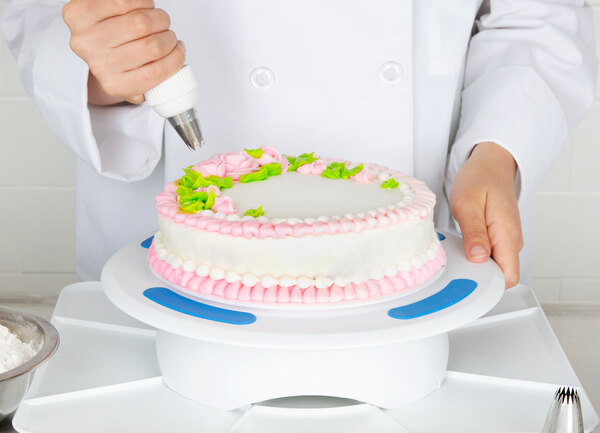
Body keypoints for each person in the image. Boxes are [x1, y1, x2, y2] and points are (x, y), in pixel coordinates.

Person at [1, 0, 597, 285]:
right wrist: (101, 69)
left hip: (425, 278)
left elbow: (537, 17)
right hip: (161, 284)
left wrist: (494, 153)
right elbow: (38, 14)